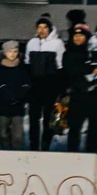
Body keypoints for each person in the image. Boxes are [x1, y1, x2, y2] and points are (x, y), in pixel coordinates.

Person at [63, 24, 97, 153]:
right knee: (75, 127)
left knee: (94, 128)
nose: (78, 38)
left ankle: (91, 154)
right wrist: (91, 70)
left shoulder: (96, 51)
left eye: (81, 35)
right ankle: (72, 154)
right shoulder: (68, 53)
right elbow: (71, 71)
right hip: (78, 95)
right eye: (75, 35)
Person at [24, 14, 65, 151]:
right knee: (33, 119)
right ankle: (33, 146)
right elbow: (27, 64)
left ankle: (45, 146)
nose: (42, 30)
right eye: (39, 27)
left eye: (45, 27)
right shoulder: (31, 43)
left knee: (48, 119)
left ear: (50, 28)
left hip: (49, 87)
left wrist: (58, 88)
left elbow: (60, 67)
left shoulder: (57, 44)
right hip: (35, 87)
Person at [0, 41, 30, 150]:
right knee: (3, 134)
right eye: (9, 51)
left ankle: (17, 155)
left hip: (18, 106)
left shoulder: (21, 68)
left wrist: (20, 96)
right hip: (3, 106)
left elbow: (26, 84)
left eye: (15, 51)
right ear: (4, 53)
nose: (12, 54)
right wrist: (10, 97)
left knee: (18, 135)